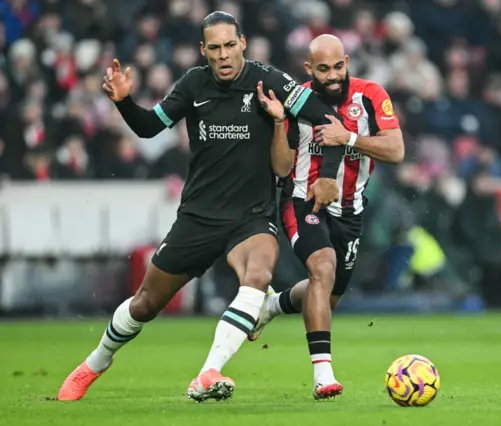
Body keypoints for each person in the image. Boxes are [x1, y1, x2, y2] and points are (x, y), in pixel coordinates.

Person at [57, 12, 345, 403]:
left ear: (242, 43)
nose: (224, 55)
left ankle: (208, 373)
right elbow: (147, 127)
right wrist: (124, 102)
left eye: (230, 45)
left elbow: (328, 118)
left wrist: (327, 175)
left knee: (257, 277)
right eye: (215, 48)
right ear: (203, 51)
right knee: (145, 304)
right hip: (198, 216)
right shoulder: (193, 84)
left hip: (253, 215)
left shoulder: (270, 80)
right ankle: (95, 362)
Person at [248, 35, 405, 399]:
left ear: (347, 61)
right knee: (322, 267)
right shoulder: (296, 100)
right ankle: (323, 376)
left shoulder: (371, 95)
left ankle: (272, 305)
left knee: (327, 295)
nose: (333, 76)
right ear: (308, 69)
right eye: (323, 69)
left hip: (350, 212)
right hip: (302, 203)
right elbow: (281, 166)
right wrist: (276, 123)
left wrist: (346, 138)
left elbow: (396, 151)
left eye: (338, 67)